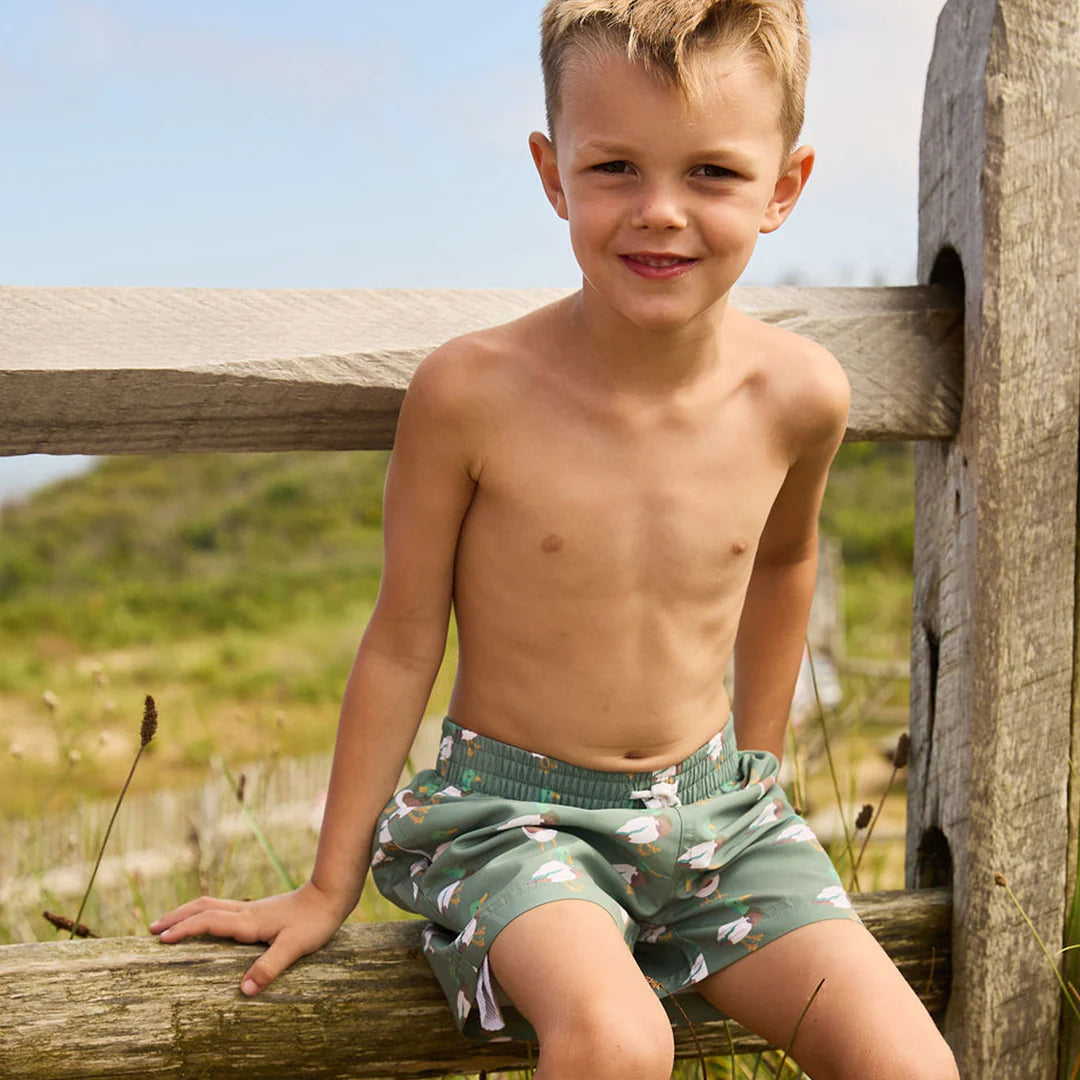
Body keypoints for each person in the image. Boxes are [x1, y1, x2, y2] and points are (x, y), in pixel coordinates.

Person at [152, 2, 960, 1076]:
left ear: (784, 188)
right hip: (510, 819)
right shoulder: (472, 393)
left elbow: (781, 563)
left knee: (911, 1062)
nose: (659, 212)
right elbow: (401, 637)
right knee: (622, 1040)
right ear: (552, 173)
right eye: (616, 167)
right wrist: (324, 886)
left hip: (718, 814)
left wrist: (757, 768)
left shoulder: (800, 396)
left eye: (712, 174)